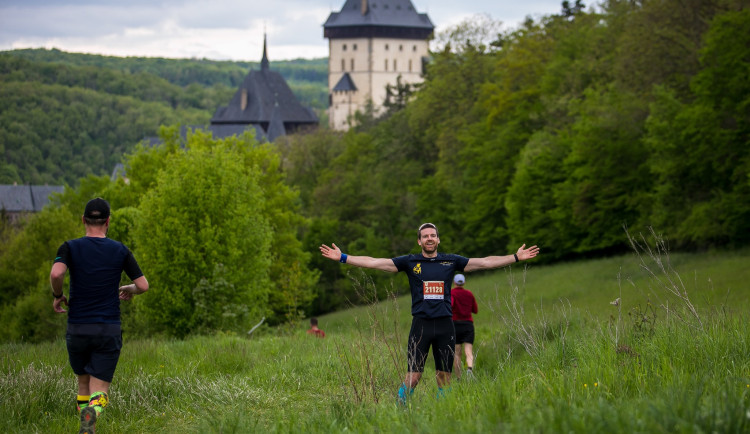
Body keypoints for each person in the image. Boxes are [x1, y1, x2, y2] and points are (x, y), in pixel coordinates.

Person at [320, 222, 539, 404]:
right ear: (419, 241)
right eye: (425, 236)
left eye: (433, 235)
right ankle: (400, 405)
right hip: (421, 325)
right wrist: (343, 257)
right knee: (414, 376)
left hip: (445, 325)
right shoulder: (410, 261)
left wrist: (515, 257)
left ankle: (442, 413)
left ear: (438, 239)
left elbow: (484, 262)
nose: (429, 239)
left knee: (444, 376)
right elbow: (377, 262)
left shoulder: (450, 261)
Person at [50, 198, 149, 434]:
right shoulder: (120, 250)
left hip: (78, 328)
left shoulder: (69, 247)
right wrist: (129, 289)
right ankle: (90, 421)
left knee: (83, 382)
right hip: (108, 328)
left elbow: (56, 273)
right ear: (108, 221)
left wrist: (58, 294)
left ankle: (87, 428)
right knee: (100, 389)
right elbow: (143, 285)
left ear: (83, 220)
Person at [450, 273, 478, 379]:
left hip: (455, 325)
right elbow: (475, 310)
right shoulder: (469, 294)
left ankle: (459, 377)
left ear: (454, 282)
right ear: (464, 282)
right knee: (468, 351)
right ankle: (469, 369)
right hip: (468, 325)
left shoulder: (452, 293)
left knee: (457, 353)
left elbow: (450, 306)